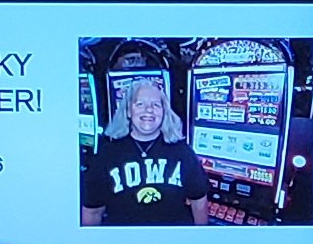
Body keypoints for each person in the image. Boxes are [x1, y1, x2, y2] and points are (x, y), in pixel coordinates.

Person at [82, 59, 238, 226]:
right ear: (128, 110)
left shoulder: (182, 152)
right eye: (140, 104)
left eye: (156, 105)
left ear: (164, 112)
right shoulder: (107, 154)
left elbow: (198, 202)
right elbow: (92, 211)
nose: (148, 110)